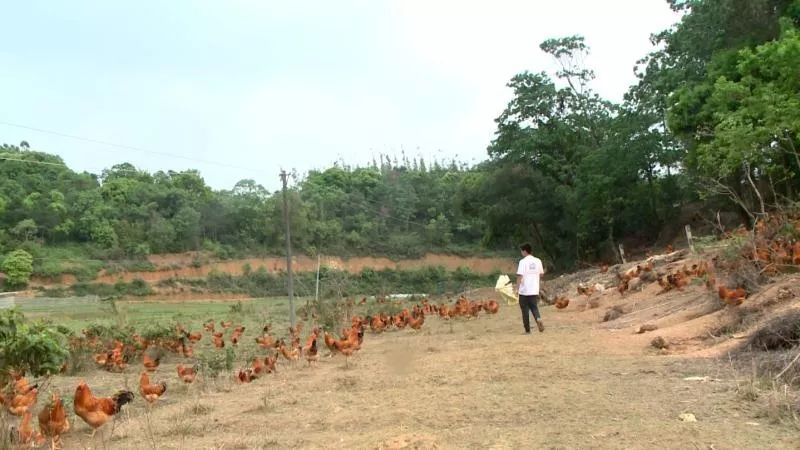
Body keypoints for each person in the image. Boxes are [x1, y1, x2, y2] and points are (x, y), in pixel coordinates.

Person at [515, 243, 544, 334]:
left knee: (525, 310)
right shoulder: (538, 261)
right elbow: (541, 274)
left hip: (524, 290)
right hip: (534, 289)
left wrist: (517, 288)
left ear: (524, 251)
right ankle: (538, 318)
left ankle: (527, 330)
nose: (521, 253)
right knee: (534, 307)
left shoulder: (522, 262)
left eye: (521, 251)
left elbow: (520, 276)